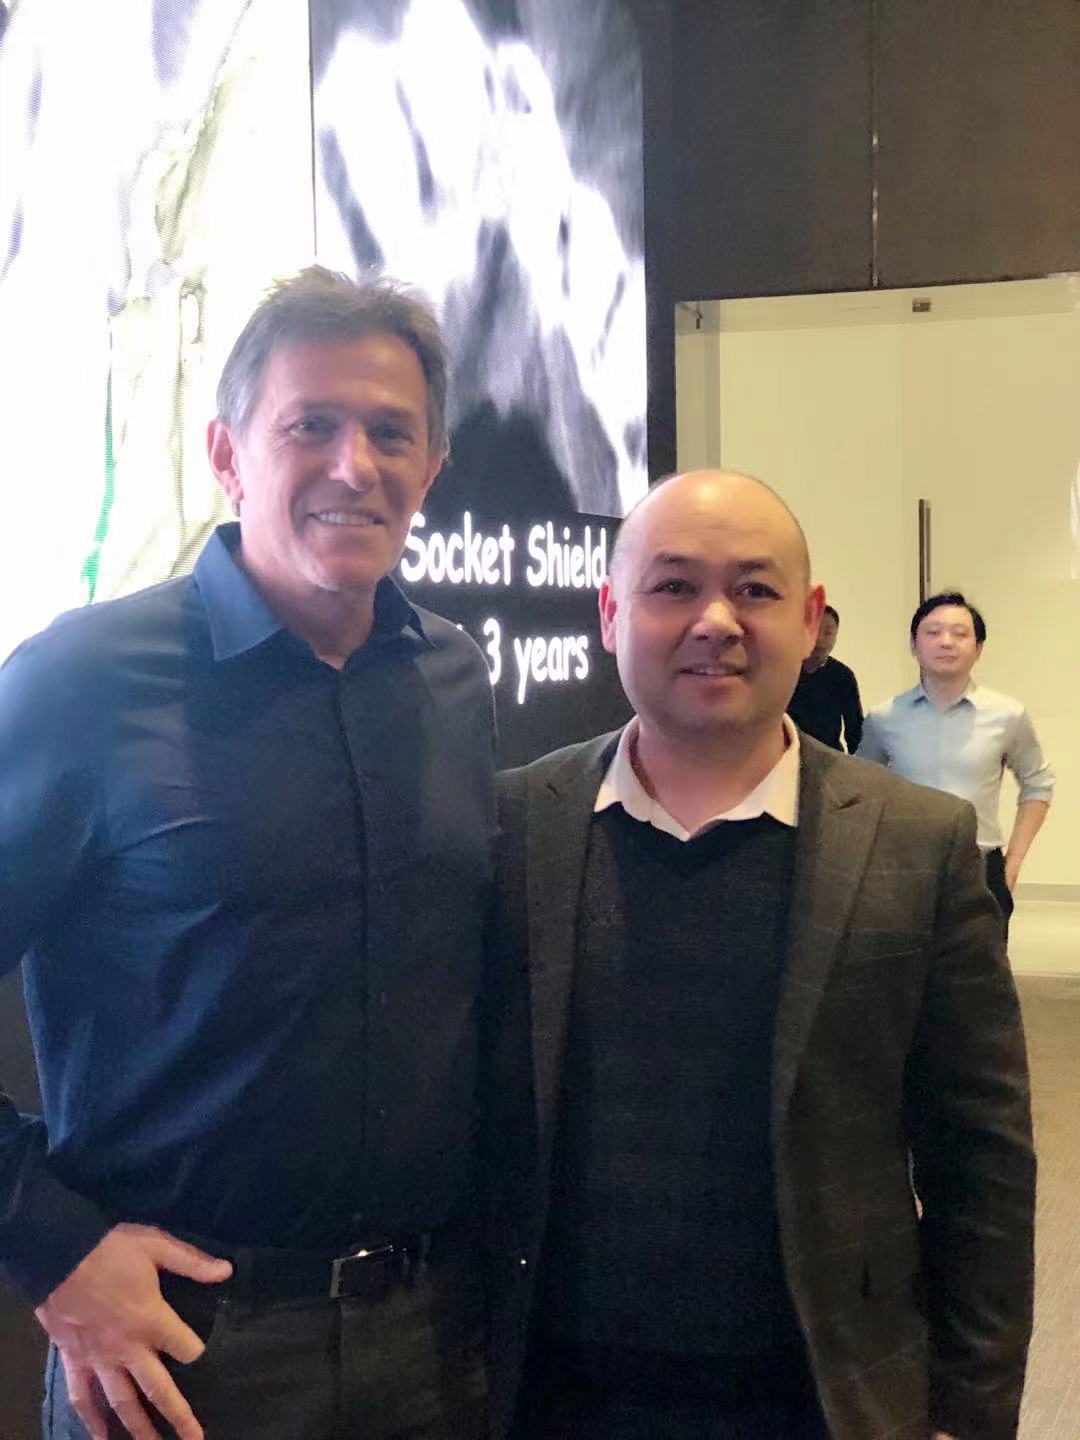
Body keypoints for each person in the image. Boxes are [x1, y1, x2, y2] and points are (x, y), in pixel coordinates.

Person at [0, 267, 496, 1440]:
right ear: (228, 455)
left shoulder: (453, 678)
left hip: (430, 1342)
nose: (353, 466)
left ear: (432, 469)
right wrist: (51, 1249)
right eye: (308, 426)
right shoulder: (83, 682)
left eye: (390, 434)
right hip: (183, 1353)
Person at [485, 472, 1034, 1440]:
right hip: (554, 1396)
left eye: (754, 589)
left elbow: (980, 1158)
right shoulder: (516, 822)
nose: (715, 621)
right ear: (610, 612)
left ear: (811, 619)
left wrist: (969, 1410)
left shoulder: (921, 844)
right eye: (673, 587)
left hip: (821, 1397)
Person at [857, 591, 1054, 942]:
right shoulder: (884, 718)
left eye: (960, 633)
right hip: (903, 867)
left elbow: (1038, 783)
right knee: (902, 969)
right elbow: (859, 789)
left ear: (978, 648)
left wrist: (1013, 861)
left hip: (979, 866)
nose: (946, 642)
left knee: (981, 972)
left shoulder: (1007, 715)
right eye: (933, 632)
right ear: (914, 645)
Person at [786, 604, 863, 753]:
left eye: (828, 633)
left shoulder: (843, 676)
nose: (820, 639)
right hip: (789, 756)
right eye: (815, 631)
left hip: (829, 758)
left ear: (836, 636)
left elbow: (855, 733)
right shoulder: (783, 671)